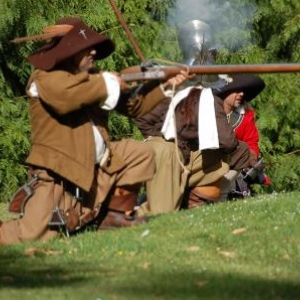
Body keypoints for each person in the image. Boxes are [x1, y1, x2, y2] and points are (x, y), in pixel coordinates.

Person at [0, 17, 189, 246]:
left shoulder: (92, 80)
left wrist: (168, 85)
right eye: (85, 47)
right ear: (68, 50)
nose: (93, 52)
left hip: (95, 168)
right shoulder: (45, 77)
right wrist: (107, 82)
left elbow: (133, 106)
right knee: (31, 236)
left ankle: (114, 218)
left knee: (138, 153)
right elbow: (65, 99)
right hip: (58, 175)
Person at [212, 73, 269, 199]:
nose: (242, 94)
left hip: (235, 165)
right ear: (225, 91)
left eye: (243, 91)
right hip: (210, 162)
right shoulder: (208, 110)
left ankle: (223, 194)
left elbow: (252, 142)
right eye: (236, 90)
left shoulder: (247, 115)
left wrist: (252, 159)